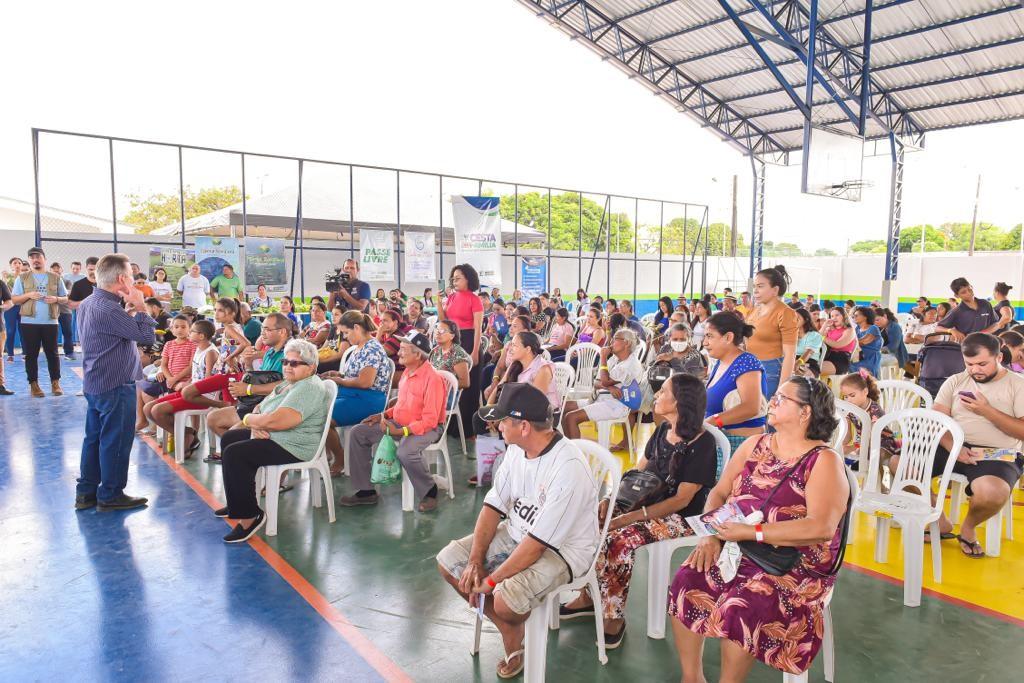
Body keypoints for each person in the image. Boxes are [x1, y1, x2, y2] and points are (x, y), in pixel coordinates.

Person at [670, 376, 849, 680]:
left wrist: (751, 534)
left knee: (741, 606)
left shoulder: (823, 461)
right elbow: (719, 492)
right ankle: (692, 678)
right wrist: (711, 534)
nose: (771, 403)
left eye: (782, 399)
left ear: (805, 412)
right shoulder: (756, 444)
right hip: (738, 545)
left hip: (793, 564)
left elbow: (821, 527)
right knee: (687, 579)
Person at [436, 383, 598, 679]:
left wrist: (491, 581)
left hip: (562, 552)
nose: (496, 426)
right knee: (450, 563)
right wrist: (474, 561)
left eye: (503, 420)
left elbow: (537, 545)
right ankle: (510, 631)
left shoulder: (567, 467)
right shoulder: (515, 451)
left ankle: (510, 628)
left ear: (524, 426)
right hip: (517, 534)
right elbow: (492, 507)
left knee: (505, 599)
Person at [559, 374, 719, 647]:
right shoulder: (661, 430)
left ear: (681, 401)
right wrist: (612, 499)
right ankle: (588, 596)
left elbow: (682, 500)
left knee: (621, 538)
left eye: (664, 391)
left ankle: (615, 615)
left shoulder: (703, 444)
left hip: (681, 517)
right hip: (644, 503)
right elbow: (637, 471)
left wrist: (629, 517)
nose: (656, 395)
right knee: (594, 523)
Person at [889, 333, 1024, 557]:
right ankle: (938, 518)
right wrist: (955, 447)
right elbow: (936, 423)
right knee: (899, 463)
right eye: (969, 364)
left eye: (982, 363)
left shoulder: (1017, 385)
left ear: (999, 357)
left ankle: (968, 528)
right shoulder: (956, 381)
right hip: (953, 446)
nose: (975, 370)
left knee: (993, 493)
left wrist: (986, 410)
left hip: (996, 453)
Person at [213, 339, 330, 543]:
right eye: (285, 362)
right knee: (230, 439)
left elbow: (279, 421)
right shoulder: (289, 383)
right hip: (276, 435)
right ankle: (239, 502)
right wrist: (259, 424)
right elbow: (262, 408)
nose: (287, 367)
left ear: (311, 367)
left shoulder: (308, 388)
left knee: (236, 454)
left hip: (295, 444)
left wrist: (250, 421)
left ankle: (250, 516)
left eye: (294, 363)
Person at [76, 253, 158, 512]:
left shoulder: (90, 302)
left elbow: (114, 332)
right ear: (122, 279)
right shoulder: (110, 309)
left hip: (95, 380)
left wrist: (128, 311)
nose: (133, 282)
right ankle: (111, 493)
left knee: (94, 438)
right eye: (131, 277)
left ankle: (86, 492)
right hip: (115, 383)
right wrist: (142, 308)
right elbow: (146, 337)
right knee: (117, 439)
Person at [340, 330, 448, 512]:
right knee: (359, 432)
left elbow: (429, 420)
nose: (398, 353)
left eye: (404, 349)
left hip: (427, 428)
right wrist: (384, 416)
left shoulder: (433, 379)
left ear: (418, 355)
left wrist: (403, 431)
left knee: (406, 451)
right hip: (399, 423)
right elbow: (402, 405)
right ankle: (366, 492)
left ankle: (429, 491)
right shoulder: (408, 371)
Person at [204, 312, 291, 461]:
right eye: (262, 329)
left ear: (282, 332)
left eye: (267, 330)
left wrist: (249, 389)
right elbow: (260, 379)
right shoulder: (270, 352)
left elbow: (286, 385)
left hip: (273, 408)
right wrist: (248, 364)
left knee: (232, 435)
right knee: (213, 419)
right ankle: (239, 451)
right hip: (257, 404)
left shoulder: (290, 353)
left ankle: (240, 452)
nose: (262, 333)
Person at [319, 311, 393, 476]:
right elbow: (356, 376)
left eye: (346, 332)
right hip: (354, 394)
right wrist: (339, 375)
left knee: (322, 418)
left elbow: (365, 382)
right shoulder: (359, 348)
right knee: (315, 408)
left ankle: (340, 457)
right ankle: (329, 453)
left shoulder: (372, 348)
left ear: (357, 328)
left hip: (369, 399)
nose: (345, 337)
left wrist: (341, 381)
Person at [562, 329, 644, 440]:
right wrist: (610, 387)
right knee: (563, 408)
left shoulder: (630, 364)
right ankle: (569, 446)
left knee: (571, 417)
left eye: (615, 339)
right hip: (602, 397)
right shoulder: (615, 359)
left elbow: (603, 381)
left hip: (616, 404)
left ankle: (575, 453)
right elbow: (596, 382)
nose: (610, 342)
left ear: (627, 343)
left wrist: (603, 357)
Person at [436, 264, 485, 447]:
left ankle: (469, 429)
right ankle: (451, 427)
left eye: (458, 278)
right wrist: (439, 303)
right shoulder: (451, 297)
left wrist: (474, 350)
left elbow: (478, 327)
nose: (454, 281)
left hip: (469, 339)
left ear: (468, 279)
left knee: (469, 388)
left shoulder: (474, 299)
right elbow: (444, 321)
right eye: (453, 278)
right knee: (451, 384)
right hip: (453, 340)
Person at [704, 312, 767, 453]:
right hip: (720, 439)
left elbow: (751, 407)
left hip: (740, 444)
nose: (705, 342)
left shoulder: (746, 362)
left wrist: (712, 422)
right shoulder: (720, 362)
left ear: (728, 337)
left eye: (710, 336)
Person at [12, 247, 67, 397]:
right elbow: (15, 300)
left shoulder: (55, 277)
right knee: (31, 354)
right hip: (29, 322)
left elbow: (66, 298)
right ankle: (34, 385)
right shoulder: (22, 278)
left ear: (44, 259)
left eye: (38, 257)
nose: (35, 259)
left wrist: (56, 299)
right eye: (32, 257)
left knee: (53, 353)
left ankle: (55, 383)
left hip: (51, 321)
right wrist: (29, 294)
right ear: (29, 261)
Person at [135, 315, 195, 433]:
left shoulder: (192, 344)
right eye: (176, 327)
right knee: (145, 387)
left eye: (183, 327)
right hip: (169, 380)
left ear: (190, 329)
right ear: (171, 329)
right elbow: (164, 364)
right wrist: (169, 378)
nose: (179, 330)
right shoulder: (169, 344)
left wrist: (175, 379)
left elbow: (191, 366)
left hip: (183, 381)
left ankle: (182, 432)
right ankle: (165, 428)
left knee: (166, 405)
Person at [746, 265, 799, 398]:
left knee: (765, 414)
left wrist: (781, 390)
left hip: (770, 371)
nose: (755, 291)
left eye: (760, 286)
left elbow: (790, 355)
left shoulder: (786, 313)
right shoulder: (755, 310)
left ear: (775, 290)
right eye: (754, 287)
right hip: (749, 367)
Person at [838, 370, 899, 471]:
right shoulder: (851, 409)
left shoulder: (875, 410)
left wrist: (854, 447)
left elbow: (873, 438)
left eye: (852, 395)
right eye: (846, 397)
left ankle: (875, 480)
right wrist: (842, 444)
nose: (848, 400)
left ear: (865, 392)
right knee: (843, 452)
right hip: (864, 444)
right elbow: (847, 438)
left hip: (883, 444)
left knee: (875, 454)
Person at [935, 277, 999, 341]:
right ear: (957, 296)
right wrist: (951, 330)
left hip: (987, 343)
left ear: (971, 286)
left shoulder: (986, 304)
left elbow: (996, 323)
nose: (969, 293)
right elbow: (937, 328)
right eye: (963, 292)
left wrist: (982, 334)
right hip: (968, 345)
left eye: (969, 289)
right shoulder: (956, 311)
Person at [429, 319, 471, 391]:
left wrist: (440, 385)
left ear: (452, 336)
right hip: (431, 390)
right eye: (437, 329)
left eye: (442, 331)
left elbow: (465, 383)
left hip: (445, 394)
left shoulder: (457, 353)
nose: (438, 333)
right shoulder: (436, 350)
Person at [820, 306, 857, 377]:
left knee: (813, 369)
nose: (834, 318)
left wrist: (822, 337)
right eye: (832, 316)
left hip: (840, 359)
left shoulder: (849, 330)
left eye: (837, 315)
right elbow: (816, 339)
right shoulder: (830, 329)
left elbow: (837, 344)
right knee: (805, 367)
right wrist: (824, 325)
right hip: (827, 356)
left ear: (843, 316)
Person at [50, 262, 76, 360]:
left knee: (68, 332)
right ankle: (52, 353)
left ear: (61, 271)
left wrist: (56, 295)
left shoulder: (68, 282)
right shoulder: (47, 282)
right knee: (52, 333)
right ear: (51, 271)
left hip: (65, 311)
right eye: (54, 271)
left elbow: (68, 294)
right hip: (52, 311)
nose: (56, 273)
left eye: (58, 271)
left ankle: (69, 353)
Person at [849, 306, 883, 378]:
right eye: (853, 315)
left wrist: (847, 341)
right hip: (858, 356)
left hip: (870, 358)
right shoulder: (857, 328)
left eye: (856, 315)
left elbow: (864, 341)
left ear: (865, 317)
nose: (854, 317)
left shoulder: (873, 328)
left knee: (849, 366)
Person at [3, 257, 24, 361]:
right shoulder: (7, 278)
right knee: (10, 331)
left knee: (23, 330)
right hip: (11, 308)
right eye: (15, 263)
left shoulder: (25, 277)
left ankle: (25, 353)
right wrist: (5, 279)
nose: (17, 265)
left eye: (19, 263)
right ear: (11, 265)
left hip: (23, 307)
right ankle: (10, 354)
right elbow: (7, 295)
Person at [794, 307, 823, 375]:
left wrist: (798, 363)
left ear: (806, 320)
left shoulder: (815, 335)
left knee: (798, 377)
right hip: (793, 362)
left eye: (797, 318)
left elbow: (808, 352)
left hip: (810, 364)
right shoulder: (791, 334)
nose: (794, 320)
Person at [0, 276, 12, 394]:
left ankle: (0, 386)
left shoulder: (1, 284)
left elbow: (9, 302)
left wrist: (1, 307)